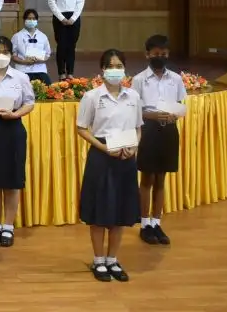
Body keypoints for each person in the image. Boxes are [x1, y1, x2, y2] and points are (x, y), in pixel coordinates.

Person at [76, 49, 142, 283]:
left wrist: (134, 147)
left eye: (119, 66)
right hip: (102, 155)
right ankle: (98, 260)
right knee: (100, 211)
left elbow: (138, 127)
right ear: (102, 70)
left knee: (120, 210)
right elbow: (81, 128)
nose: (115, 70)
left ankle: (112, 259)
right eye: (111, 66)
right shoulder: (92, 97)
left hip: (126, 155)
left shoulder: (133, 96)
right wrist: (103, 148)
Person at [0, 36, 35, 248]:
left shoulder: (21, 77)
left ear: (11, 54)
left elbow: (30, 102)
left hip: (13, 129)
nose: (1, 56)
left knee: (12, 181)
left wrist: (15, 114)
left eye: (5, 52)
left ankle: (8, 226)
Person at [133, 35, 187, 246]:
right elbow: (134, 110)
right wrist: (153, 115)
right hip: (148, 130)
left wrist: (174, 115)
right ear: (147, 55)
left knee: (161, 179)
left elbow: (180, 104)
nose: (160, 57)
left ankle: (156, 223)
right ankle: (144, 224)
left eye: (164, 54)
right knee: (147, 178)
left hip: (169, 130)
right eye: (156, 54)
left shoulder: (176, 79)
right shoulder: (139, 80)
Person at [48, 0, 85, 79]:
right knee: (61, 45)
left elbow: (80, 2)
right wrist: (62, 18)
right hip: (60, 18)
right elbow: (51, 2)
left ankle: (70, 72)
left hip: (74, 18)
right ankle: (61, 73)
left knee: (71, 46)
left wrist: (73, 18)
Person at [10, 9, 52, 84]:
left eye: (34, 19)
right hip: (22, 70)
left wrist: (39, 60)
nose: (31, 20)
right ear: (24, 20)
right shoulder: (17, 36)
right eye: (29, 18)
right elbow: (13, 55)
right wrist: (24, 61)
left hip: (40, 70)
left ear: (37, 21)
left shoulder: (43, 36)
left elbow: (47, 54)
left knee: (48, 87)